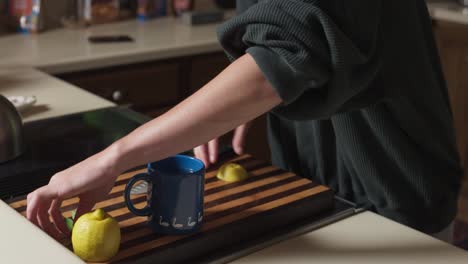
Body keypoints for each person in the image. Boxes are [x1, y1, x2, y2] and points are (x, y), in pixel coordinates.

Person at [26, 0, 462, 243]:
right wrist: (249, 105)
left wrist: (114, 156)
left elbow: (284, 55)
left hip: (394, 199)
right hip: (316, 189)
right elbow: (280, 42)